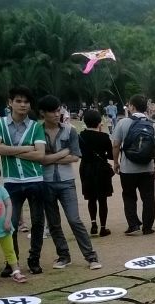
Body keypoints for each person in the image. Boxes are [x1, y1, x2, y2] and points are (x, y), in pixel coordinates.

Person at [38, 95, 102, 270]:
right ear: (43, 113)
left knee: (74, 220)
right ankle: (63, 256)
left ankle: (91, 256)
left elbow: (75, 156)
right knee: (53, 223)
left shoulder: (70, 130)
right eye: (52, 111)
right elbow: (39, 159)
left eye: (58, 110)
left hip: (66, 181)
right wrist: (63, 153)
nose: (56, 114)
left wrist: (49, 158)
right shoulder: (37, 131)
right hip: (46, 181)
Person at [0, 86, 46, 275]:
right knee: (10, 223)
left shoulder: (36, 126)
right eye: (18, 101)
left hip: (35, 179)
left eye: (26, 102)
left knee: (37, 222)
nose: (23, 105)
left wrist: (9, 150)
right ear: (10, 103)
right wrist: (27, 149)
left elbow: (40, 155)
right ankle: (11, 261)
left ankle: (34, 259)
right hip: (12, 181)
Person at [112, 94, 155, 236]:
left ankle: (133, 224)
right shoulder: (152, 124)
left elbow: (116, 145)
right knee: (148, 198)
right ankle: (147, 227)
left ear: (132, 107)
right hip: (147, 168)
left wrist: (116, 162)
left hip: (127, 168)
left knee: (129, 197)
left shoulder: (122, 123)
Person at [0, 160, 28, 285]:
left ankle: (16, 272)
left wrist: (8, 221)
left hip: (4, 227)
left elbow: (8, 205)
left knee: (10, 251)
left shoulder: (0, 190)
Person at [78, 109, 114, 237]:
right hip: (101, 169)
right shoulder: (104, 137)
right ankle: (103, 227)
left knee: (91, 197)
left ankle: (93, 224)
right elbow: (111, 155)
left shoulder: (80, 136)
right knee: (102, 199)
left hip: (86, 168)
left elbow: (79, 153)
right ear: (99, 122)